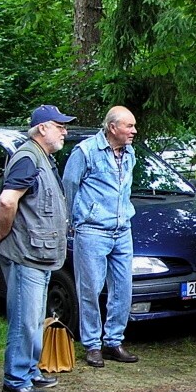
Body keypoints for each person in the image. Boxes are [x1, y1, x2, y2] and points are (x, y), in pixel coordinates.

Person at [0, 105, 76, 392]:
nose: (64, 131)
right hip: (25, 253)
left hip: (38, 254)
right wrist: (3, 233)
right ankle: (15, 379)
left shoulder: (43, 158)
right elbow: (7, 201)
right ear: (42, 128)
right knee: (24, 318)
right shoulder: (28, 158)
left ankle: (29, 370)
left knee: (33, 317)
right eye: (59, 126)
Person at [62, 106, 140, 367]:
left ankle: (113, 342)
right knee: (90, 289)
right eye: (129, 126)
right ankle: (92, 345)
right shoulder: (85, 152)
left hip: (122, 229)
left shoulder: (129, 153)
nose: (133, 131)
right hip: (93, 229)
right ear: (112, 127)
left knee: (123, 289)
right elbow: (70, 185)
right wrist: (75, 221)